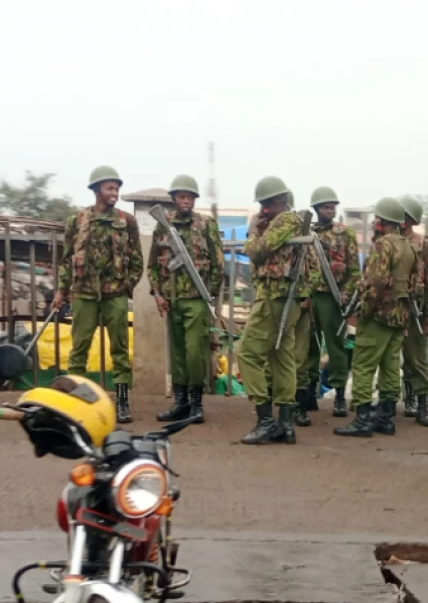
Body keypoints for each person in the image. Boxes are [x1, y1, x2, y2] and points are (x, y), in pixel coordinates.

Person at [53, 166, 143, 424]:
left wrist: (126, 286)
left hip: (114, 294)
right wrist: (62, 290)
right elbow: (67, 258)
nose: (114, 193)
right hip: (83, 294)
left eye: (116, 188)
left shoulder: (127, 221)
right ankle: (75, 400)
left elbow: (137, 260)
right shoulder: (77, 220)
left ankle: (122, 402)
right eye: (109, 188)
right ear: (96, 190)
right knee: (78, 350)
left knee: (120, 350)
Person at [236, 177, 313, 445]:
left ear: (271, 203)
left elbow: (256, 251)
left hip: (274, 297)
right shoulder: (292, 222)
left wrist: (254, 230)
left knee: (246, 354)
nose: (261, 211)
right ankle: (286, 424)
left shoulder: (283, 221)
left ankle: (266, 420)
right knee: (282, 357)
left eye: (263, 205)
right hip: (286, 299)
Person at [335, 198, 419, 438]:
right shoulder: (409, 246)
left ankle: (362, 420)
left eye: (377, 219)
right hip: (399, 315)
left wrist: (365, 311)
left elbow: (377, 282)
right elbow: (415, 284)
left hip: (378, 316)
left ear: (384, 221)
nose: (374, 222)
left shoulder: (383, 245)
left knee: (362, 365)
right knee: (390, 366)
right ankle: (387, 418)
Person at [149, 175, 224, 424]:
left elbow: (218, 261)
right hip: (172, 299)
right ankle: (181, 403)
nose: (186, 201)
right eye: (182, 197)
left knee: (194, 353)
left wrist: (208, 293)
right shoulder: (163, 224)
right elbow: (152, 265)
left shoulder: (205, 225)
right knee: (178, 353)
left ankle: (197, 404)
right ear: (173, 199)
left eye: (190, 197)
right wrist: (158, 294)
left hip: (196, 299)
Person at [307, 186, 360, 418]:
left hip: (333, 297)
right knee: (308, 346)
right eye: (324, 206)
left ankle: (339, 394)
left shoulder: (344, 233)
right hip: (309, 296)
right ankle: (308, 391)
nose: (329, 209)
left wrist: (347, 294)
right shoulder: (307, 233)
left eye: (332, 206)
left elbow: (353, 269)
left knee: (336, 347)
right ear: (317, 209)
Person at [399, 196, 428, 428]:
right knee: (389, 358)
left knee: (418, 358)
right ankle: (407, 399)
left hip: (416, 308)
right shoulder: (387, 242)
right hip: (391, 308)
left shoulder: (424, 243)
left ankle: (422, 404)